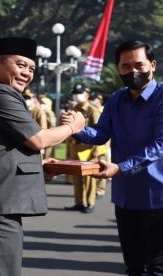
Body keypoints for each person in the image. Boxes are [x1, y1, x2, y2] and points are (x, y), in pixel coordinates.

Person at [0, 37, 86, 276]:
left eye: (31, 68)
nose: (26, 73)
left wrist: (37, 165)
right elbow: (38, 139)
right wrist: (75, 126)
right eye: (20, 65)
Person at [62, 40, 163, 275]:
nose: (133, 71)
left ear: (153, 65)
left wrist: (120, 167)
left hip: (161, 195)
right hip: (127, 196)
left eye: (139, 65)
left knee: (159, 268)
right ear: (118, 68)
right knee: (133, 266)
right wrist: (75, 127)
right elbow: (101, 133)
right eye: (126, 66)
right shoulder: (117, 99)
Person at [64, 83, 101, 214]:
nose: (76, 95)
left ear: (87, 94)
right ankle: (79, 202)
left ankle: (90, 203)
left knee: (89, 178)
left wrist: (96, 149)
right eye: (75, 93)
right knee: (77, 177)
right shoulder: (74, 108)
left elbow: (98, 131)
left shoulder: (93, 111)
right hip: (75, 146)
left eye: (79, 93)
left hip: (88, 148)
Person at [89, 92, 110, 199]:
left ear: (100, 100)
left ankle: (100, 190)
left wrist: (97, 147)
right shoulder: (92, 110)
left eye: (95, 99)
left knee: (103, 166)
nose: (92, 101)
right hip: (97, 143)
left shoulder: (102, 110)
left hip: (103, 145)